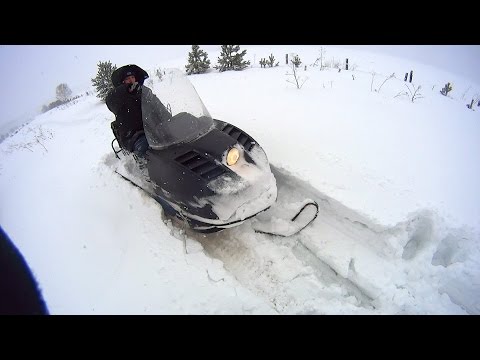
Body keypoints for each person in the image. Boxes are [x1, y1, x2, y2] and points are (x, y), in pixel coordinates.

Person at [106, 64, 151, 159]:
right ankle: (144, 170)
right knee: (145, 147)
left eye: (133, 77)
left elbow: (157, 105)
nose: (131, 80)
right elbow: (110, 101)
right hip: (133, 135)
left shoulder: (144, 92)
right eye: (128, 79)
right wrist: (126, 89)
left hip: (152, 129)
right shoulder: (119, 97)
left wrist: (169, 120)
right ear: (122, 82)